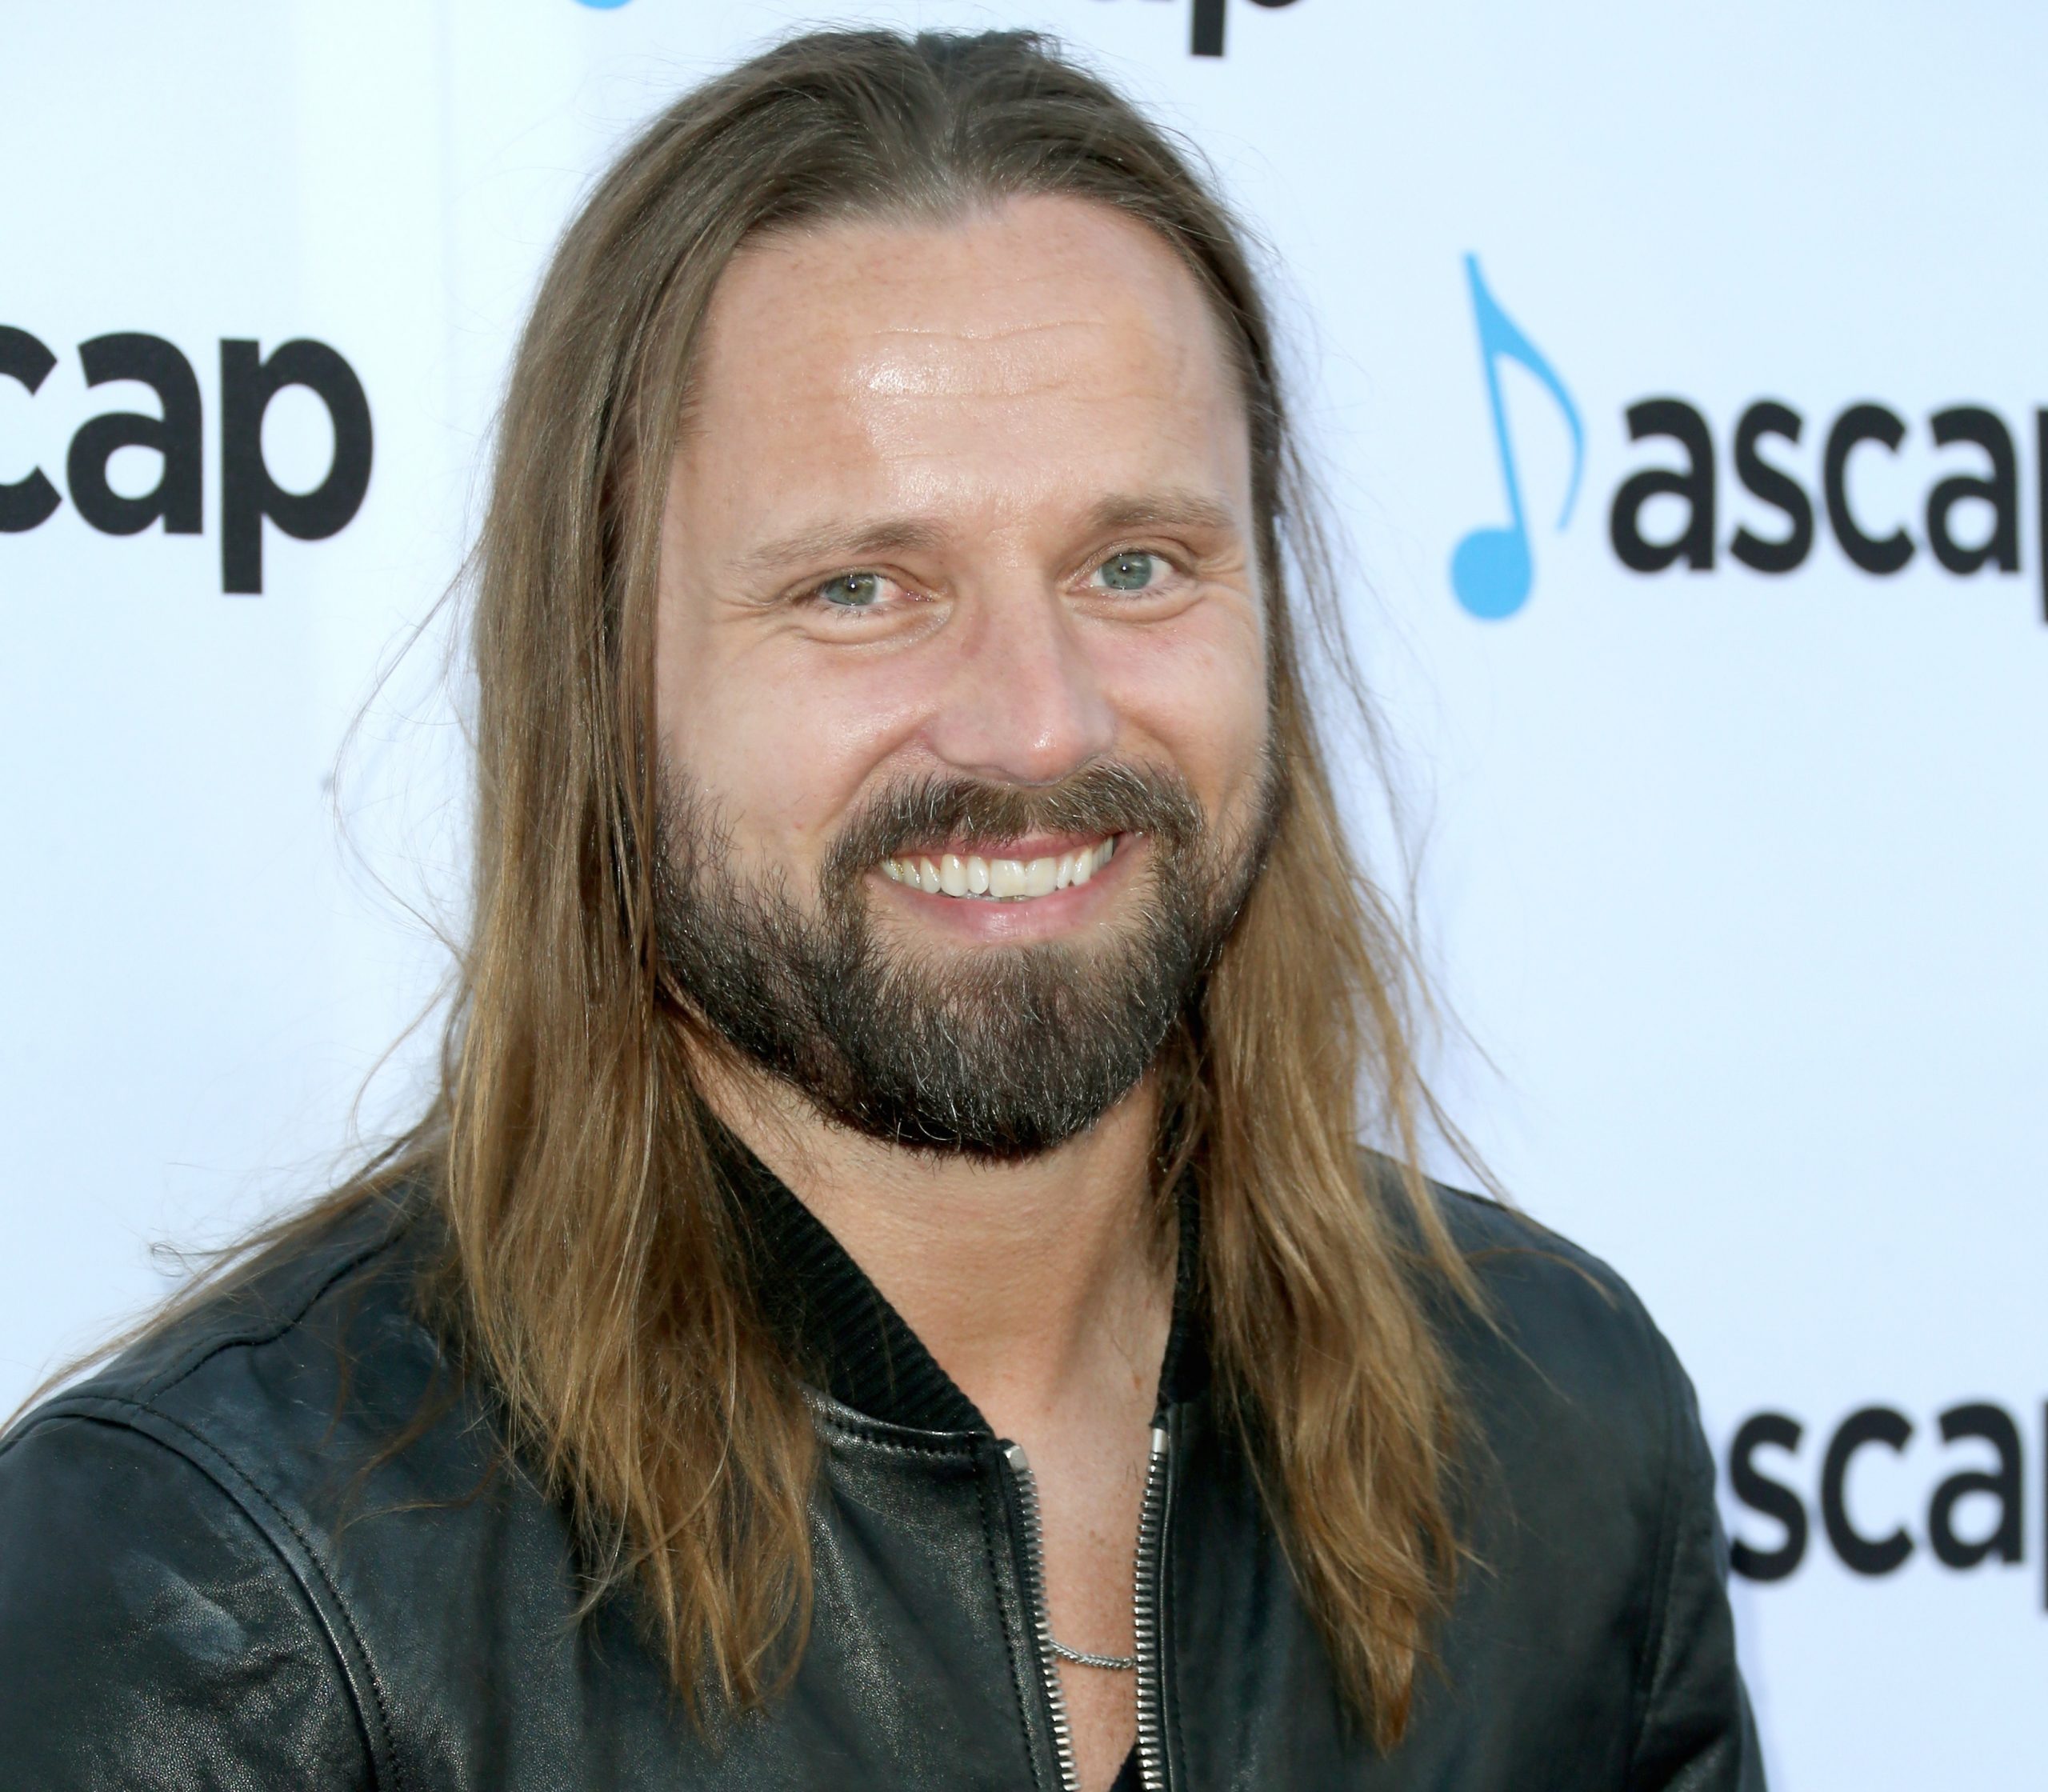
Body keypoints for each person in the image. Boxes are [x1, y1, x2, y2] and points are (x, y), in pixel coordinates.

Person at [0, 28, 1761, 1791]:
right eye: (861, 588)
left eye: (1133, 567)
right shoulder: (221, 1602)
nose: (1037, 724)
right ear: (602, 680)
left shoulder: (1555, 1429)